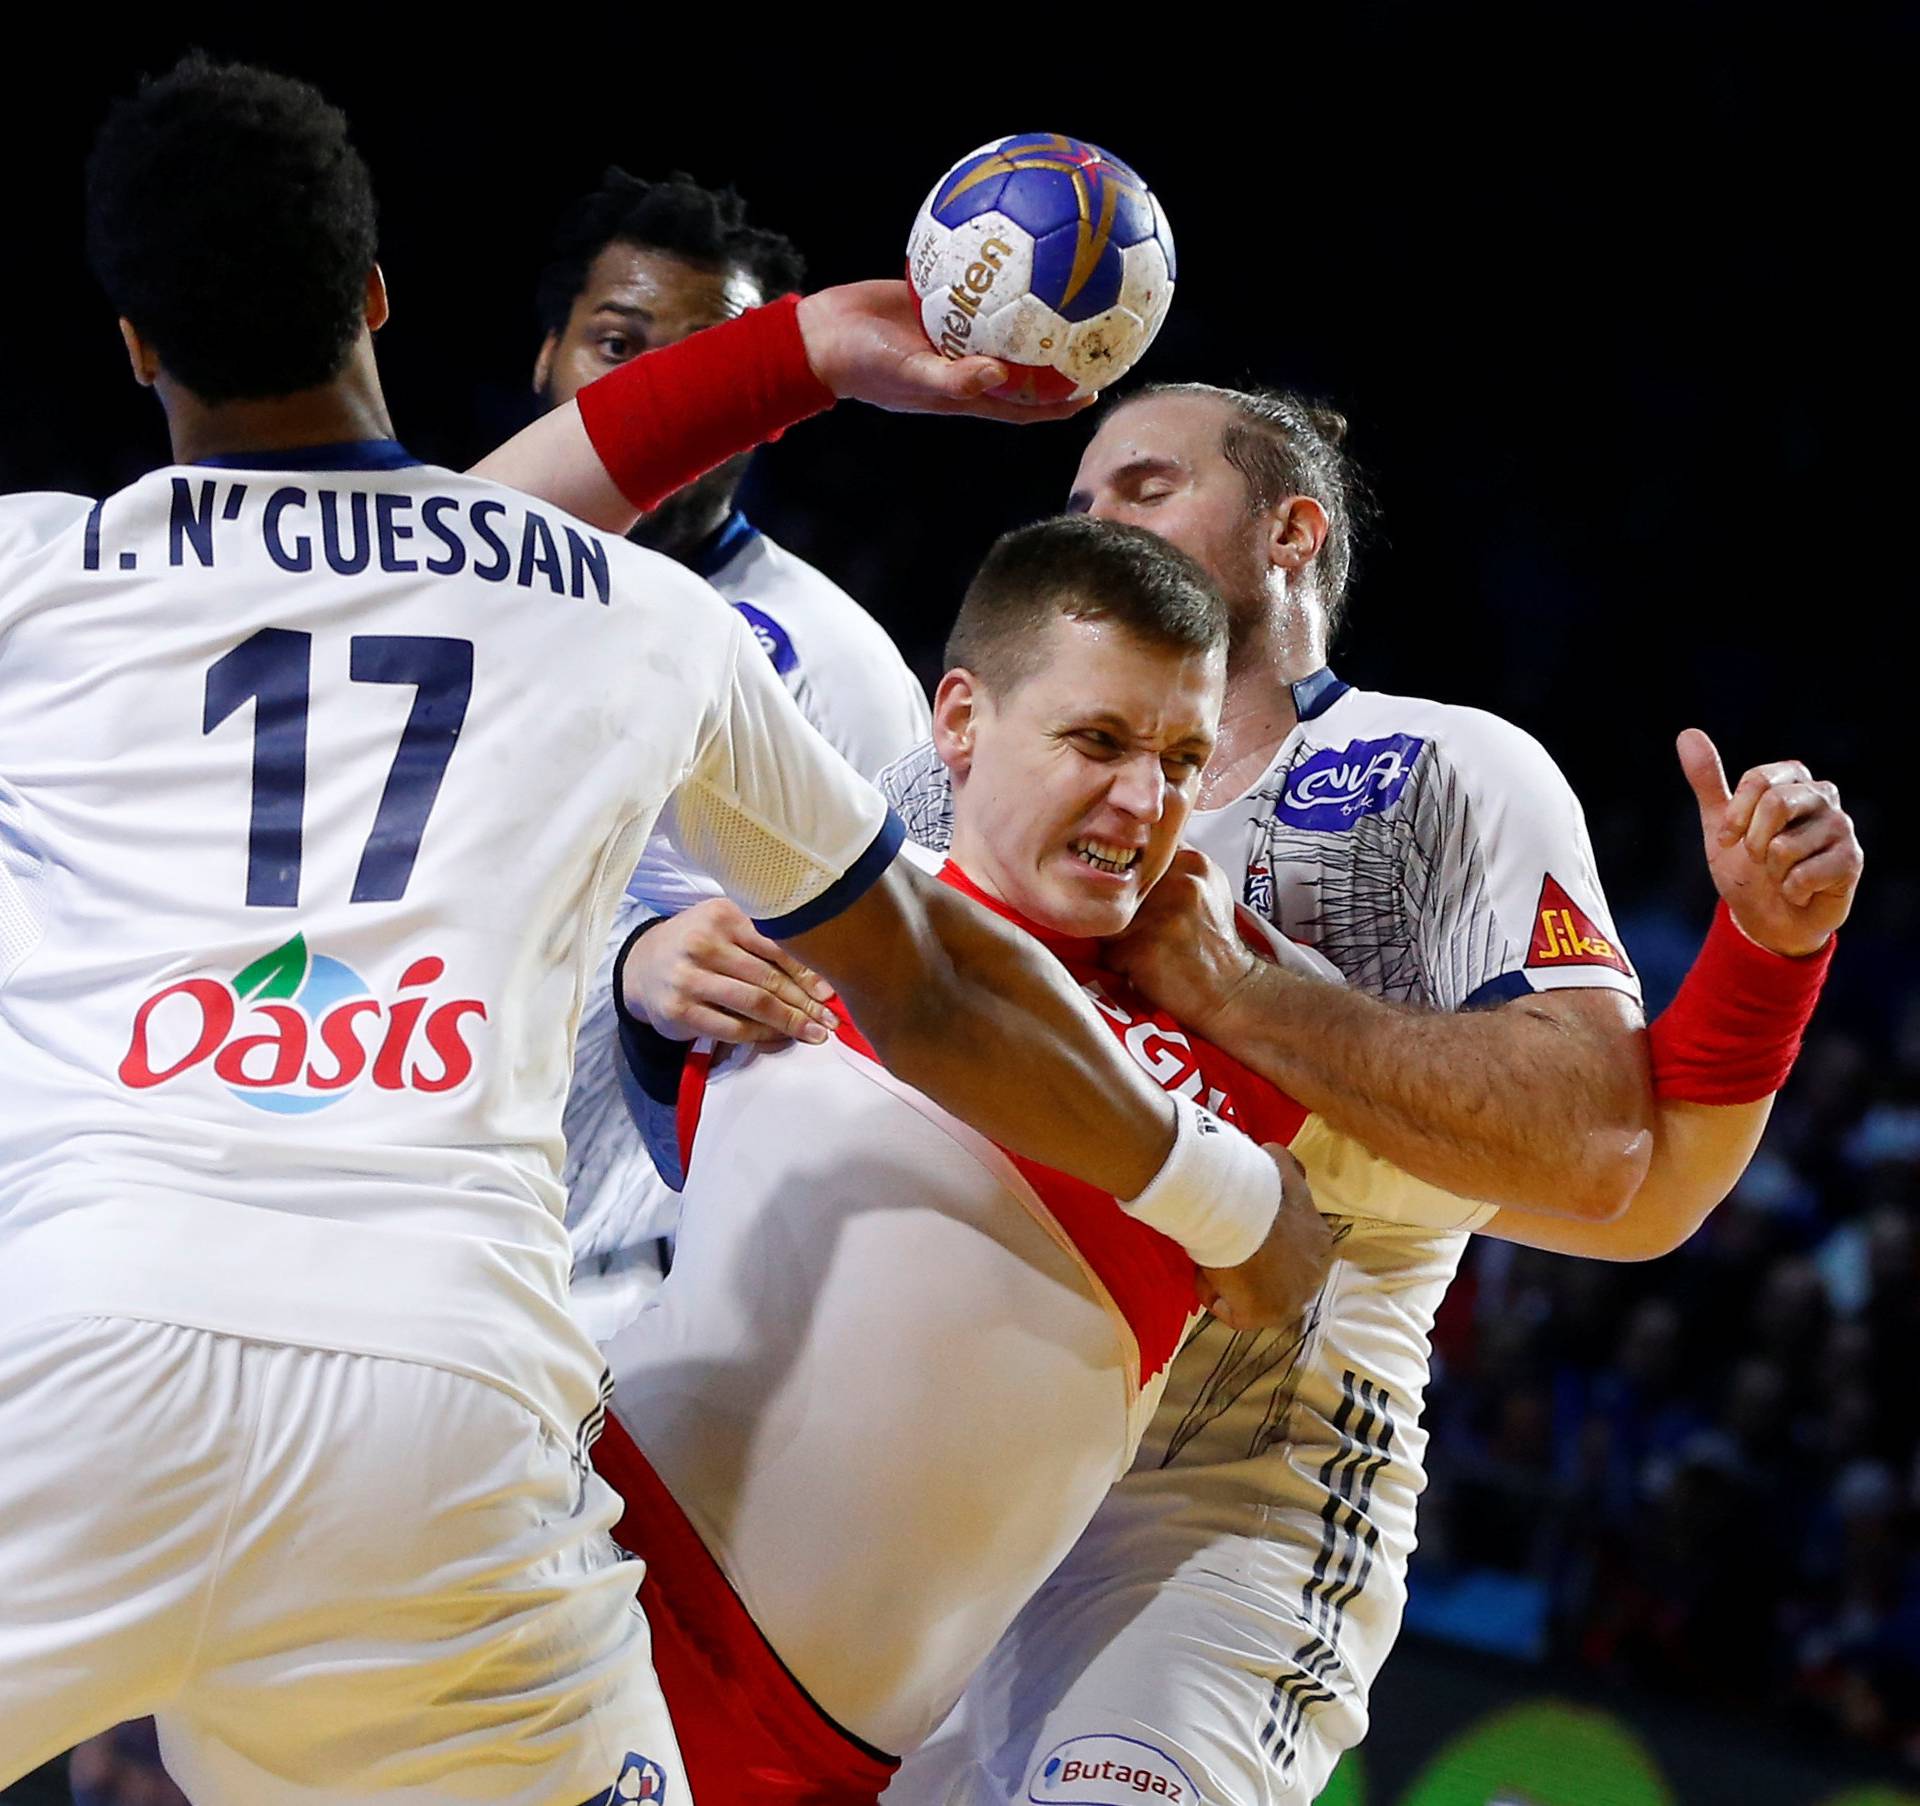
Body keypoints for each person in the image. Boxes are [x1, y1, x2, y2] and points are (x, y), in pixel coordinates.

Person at [0, 61, 1315, 1802]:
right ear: (380, 300)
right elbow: (926, 983)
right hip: (445, 1417)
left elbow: (428, 527)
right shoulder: (628, 616)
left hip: (81, 1361)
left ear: (133, 342)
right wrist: (1227, 1193)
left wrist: (814, 354)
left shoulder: (40, 577)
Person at [612, 384, 1858, 1803]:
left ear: (1291, 529)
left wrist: (1252, 995)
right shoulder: (950, 773)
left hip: (1224, 1501)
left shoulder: (1442, 768)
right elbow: (740, 1109)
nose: (1092, 519)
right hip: (917, 1496)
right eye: (1079, 502)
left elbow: (1612, 1169)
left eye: (1142, 487)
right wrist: (656, 972)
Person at [595, 515, 1474, 1804]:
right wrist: (638, 978)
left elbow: (1616, 1188)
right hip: (598, 1585)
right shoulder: (822, 925)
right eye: (1098, 742)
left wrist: (1766, 964)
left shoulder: (1257, 1010)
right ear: (958, 719)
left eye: (1183, 757)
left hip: (813, 1757)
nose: (1143, 801)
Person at [528, 169, 931, 1331]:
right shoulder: (430, 596)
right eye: (620, 344)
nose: (665, 392)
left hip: (615, 1303)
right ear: (545, 357)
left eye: (714, 364)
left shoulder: (837, 665)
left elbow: (900, 1009)